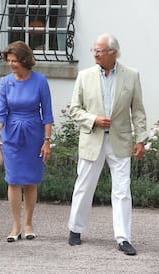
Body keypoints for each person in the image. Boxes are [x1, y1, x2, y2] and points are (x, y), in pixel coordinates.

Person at [67, 33, 148, 256]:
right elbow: (74, 110)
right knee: (84, 186)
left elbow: (138, 111)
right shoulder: (84, 76)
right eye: (94, 50)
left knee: (122, 191)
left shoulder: (132, 75)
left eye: (99, 51)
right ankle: (75, 229)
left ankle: (123, 238)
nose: (94, 54)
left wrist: (141, 139)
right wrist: (93, 119)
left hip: (120, 140)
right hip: (92, 138)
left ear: (113, 53)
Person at [0, 40, 54, 242]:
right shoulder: (5, 82)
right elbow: (1, 112)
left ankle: (28, 223)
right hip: (11, 135)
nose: (11, 64)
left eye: (15, 60)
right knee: (14, 180)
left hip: (34, 134)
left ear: (25, 60)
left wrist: (47, 141)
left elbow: (48, 114)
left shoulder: (40, 81)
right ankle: (15, 225)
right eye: (9, 60)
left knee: (31, 181)